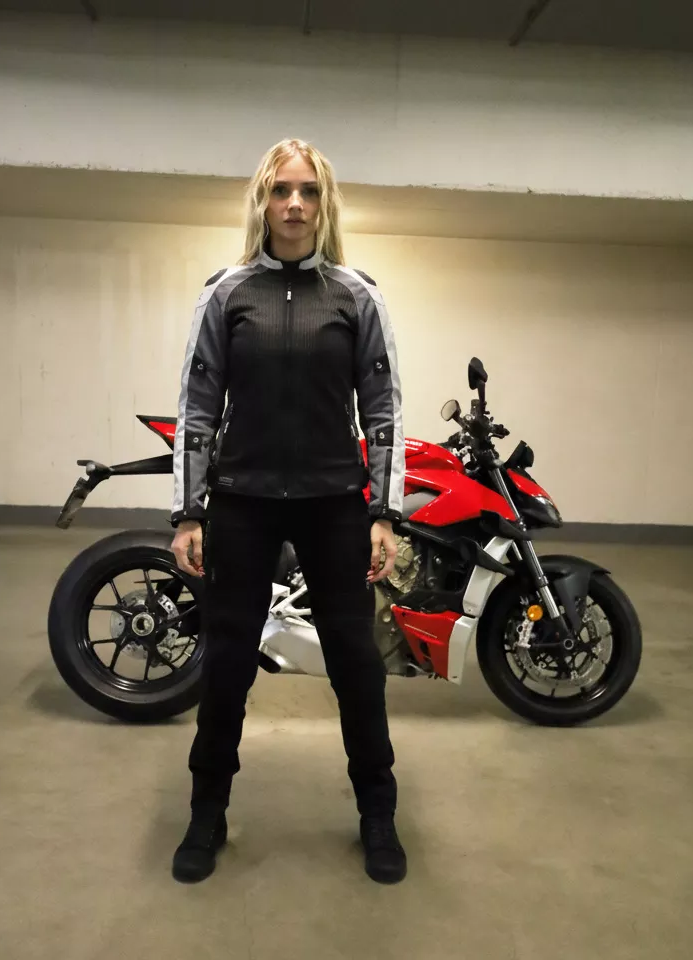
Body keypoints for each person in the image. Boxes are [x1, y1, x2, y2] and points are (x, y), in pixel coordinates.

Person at [167, 138, 407, 885]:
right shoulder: (227, 293)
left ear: (324, 202)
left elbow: (384, 410)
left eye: (307, 191)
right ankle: (207, 812)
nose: (294, 204)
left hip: (334, 506)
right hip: (243, 504)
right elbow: (198, 407)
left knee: (357, 665)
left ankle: (378, 813)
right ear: (262, 202)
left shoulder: (357, 295)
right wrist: (188, 512)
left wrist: (384, 513)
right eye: (280, 191)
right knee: (227, 664)